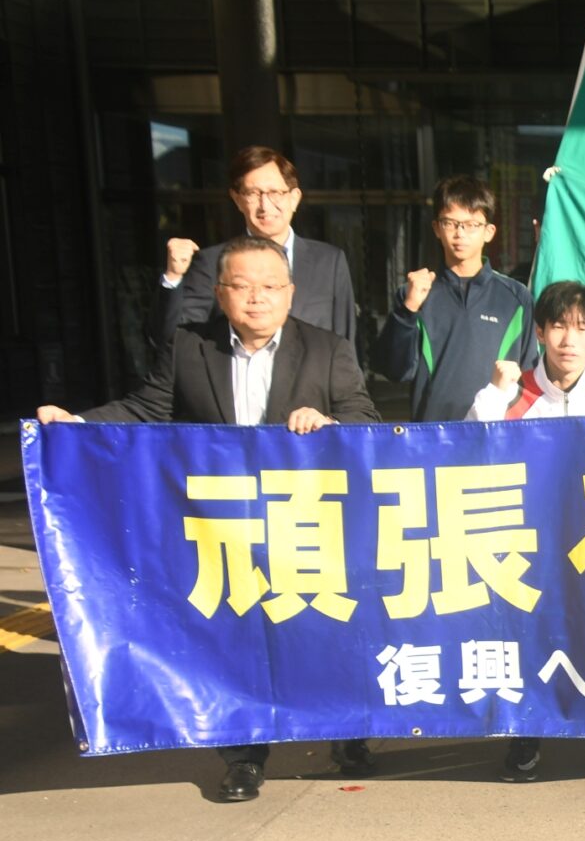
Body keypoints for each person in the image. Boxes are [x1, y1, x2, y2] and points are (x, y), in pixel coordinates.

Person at [39, 236, 380, 803]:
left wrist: (327, 423)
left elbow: (363, 418)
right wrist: (75, 424)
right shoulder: (189, 347)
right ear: (221, 294)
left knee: (321, 632)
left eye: (270, 286)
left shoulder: (327, 349)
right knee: (238, 638)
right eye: (242, 286)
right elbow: (146, 409)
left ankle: (348, 735)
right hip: (225, 527)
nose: (257, 298)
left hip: (304, 522)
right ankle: (244, 756)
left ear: (290, 292)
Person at [465, 280, 585, 782]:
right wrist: (494, 393)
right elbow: (468, 451)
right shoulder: (511, 391)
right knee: (528, 638)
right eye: (559, 326)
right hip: (527, 544)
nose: (570, 339)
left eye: (583, 328)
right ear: (541, 332)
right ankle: (525, 737)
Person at [150, 146, 355, 374]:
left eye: (275, 192)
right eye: (253, 194)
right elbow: (171, 341)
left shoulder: (329, 262)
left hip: (312, 394)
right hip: (236, 391)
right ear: (237, 199)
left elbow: (346, 344)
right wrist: (173, 278)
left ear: (294, 198)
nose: (265, 205)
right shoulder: (211, 263)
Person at [376, 176, 540, 423]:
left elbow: (530, 375)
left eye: (471, 224)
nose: (460, 233)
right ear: (436, 228)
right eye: (450, 223)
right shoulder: (414, 293)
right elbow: (394, 371)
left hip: (496, 432)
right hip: (433, 434)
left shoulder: (516, 297)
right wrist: (408, 309)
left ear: (489, 232)